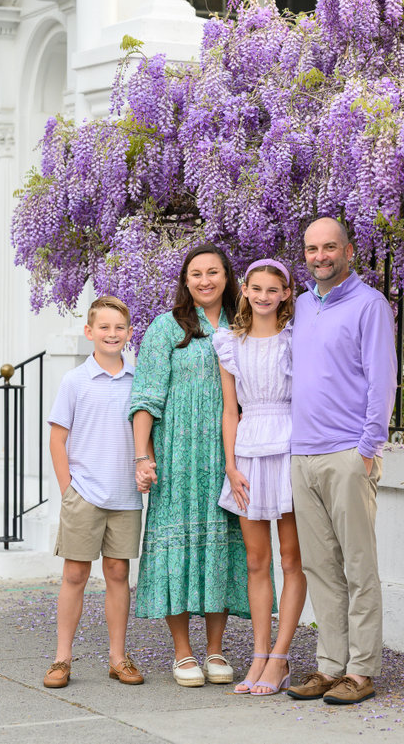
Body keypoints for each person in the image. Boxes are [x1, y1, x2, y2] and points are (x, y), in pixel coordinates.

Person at [286, 217, 397, 706]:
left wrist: (368, 449)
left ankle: (362, 670)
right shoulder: (304, 305)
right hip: (303, 453)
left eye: (329, 247)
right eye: (312, 248)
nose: (320, 256)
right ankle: (330, 666)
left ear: (348, 250)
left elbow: (382, 380)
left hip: (348, 453)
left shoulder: (370, 304)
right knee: (320, 567)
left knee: (358, 565)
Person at [130, 243, 249, 688]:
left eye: (213, 272)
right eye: (195, 274)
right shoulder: (166, 327)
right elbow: (145, 396)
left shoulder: (243, 324)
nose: (204, 281)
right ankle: (183, 652)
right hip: (177, 454)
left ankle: (216, 650)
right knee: (177, 546)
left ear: (226, 276)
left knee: (221, 543)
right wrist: (143, 455)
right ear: (185, 280)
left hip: (227, 453)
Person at [213, 259, 307, 696]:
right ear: (245, 290)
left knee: (291, 558)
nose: (265, 296)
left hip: (288, 445)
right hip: (248, 450)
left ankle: (281, 657)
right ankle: (258, 653)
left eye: (275, 289)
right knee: (257, 561)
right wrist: (231, 466)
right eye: (257, 288)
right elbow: (231, 410)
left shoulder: (295, 339)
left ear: (287, 294)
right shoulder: (230, 343)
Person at [43, 296, 144, 689]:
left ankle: (118, 658)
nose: (112, 334)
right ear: (89, 332)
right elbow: (57, 439)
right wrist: (69, 490)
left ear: (129, 333)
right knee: (75, 574)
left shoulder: (138, 380)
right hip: (83, 493)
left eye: (119, 328)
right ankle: (61, 659)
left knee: (118, 573)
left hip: (124, 497)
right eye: (104, 327)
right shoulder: (75, 381)